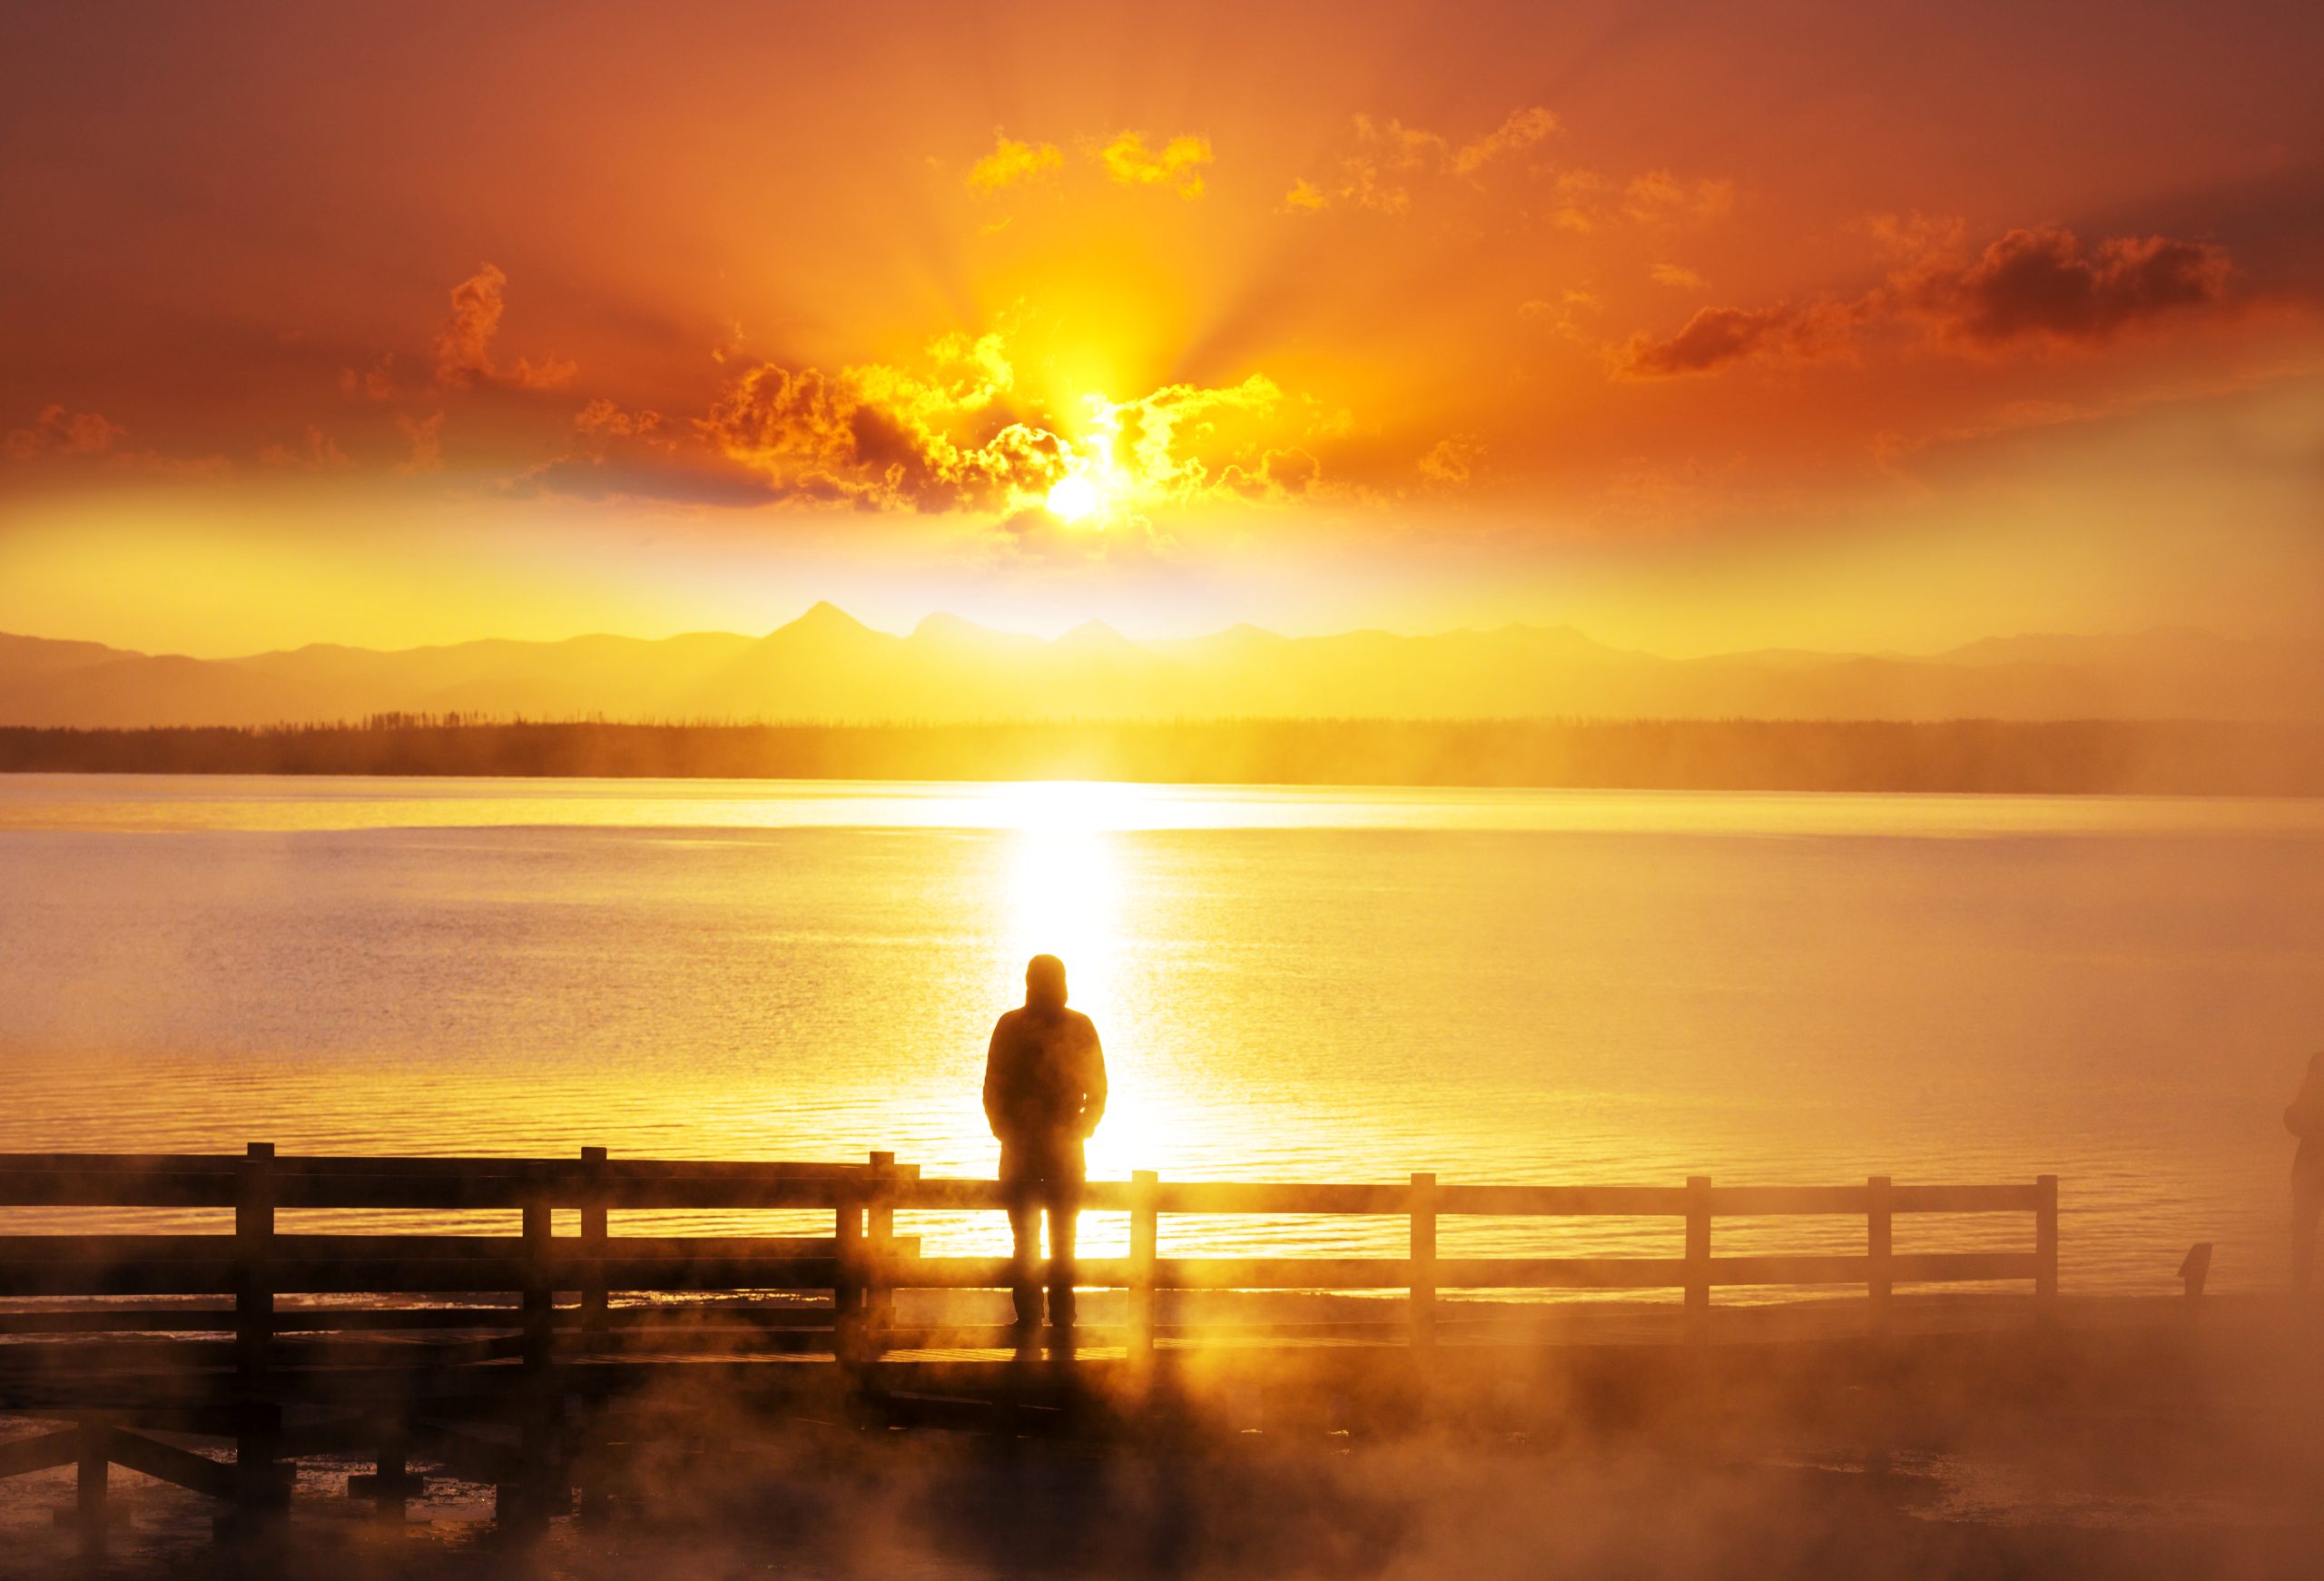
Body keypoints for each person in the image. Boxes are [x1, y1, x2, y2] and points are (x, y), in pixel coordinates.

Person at [983, 954, 1108, 1330]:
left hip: (1042, 1151)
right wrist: (1082, 1127)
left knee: (1034, 1241)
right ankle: (1052, 1320)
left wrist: (1006, 1129)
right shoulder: (1072, 1025)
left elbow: (993, 1089)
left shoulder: (1014, 1025)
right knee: (1056, 1241)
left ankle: (1038, 1320)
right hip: (1054, 1152)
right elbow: (1098, 1091)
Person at [2288, 1052, 2324, 1295]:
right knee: (2303, 1232)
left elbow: (2293, 1120)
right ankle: (2300, 1291)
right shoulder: (2310, 1096)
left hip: (2309, 1171)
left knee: (2303, 1232)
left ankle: (2300, 1292)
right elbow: (2293, 1120)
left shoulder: (2311, 1095)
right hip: (2308, 1172)